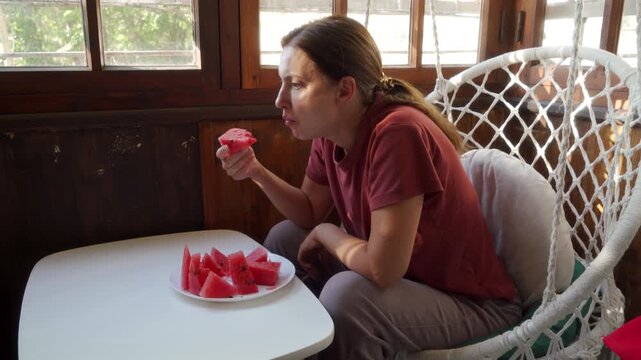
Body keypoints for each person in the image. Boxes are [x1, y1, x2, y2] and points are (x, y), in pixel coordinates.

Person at [217, 15, 521, 360]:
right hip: (409, 285)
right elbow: (308, 211)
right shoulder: (330, 134)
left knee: (347, 298)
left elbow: (383, 268)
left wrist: (327, 232)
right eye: (282, 84)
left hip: (472, 305)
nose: (280, 100)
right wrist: (256, 171)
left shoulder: (398, 133)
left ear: (345, 90)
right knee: (283, 238)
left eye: (297, 84)